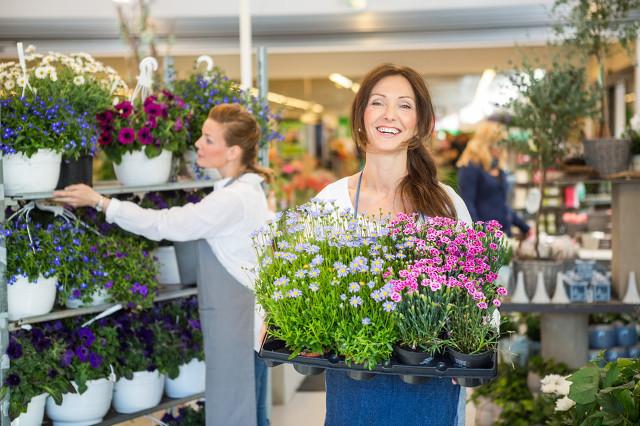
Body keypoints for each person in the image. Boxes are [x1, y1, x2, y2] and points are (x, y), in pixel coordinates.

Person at [53, 103, 272, 426]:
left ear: (232, 152)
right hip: (240, 316)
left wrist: (101, 203)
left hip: (237, 320)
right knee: (248, 409)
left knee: (236, 412)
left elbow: (167, 224)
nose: (198, 143)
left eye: (209, 139)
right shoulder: (242, 191)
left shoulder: (232, 199)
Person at [315, 64, 472, 426]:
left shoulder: (445, 203)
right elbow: (288, 280)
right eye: (378, 103)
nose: (390, 115)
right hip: (354, 384)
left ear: (419, 124)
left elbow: (477, 289)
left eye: (404, 105)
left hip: (429, 387)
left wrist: (473, 347)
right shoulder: (332, 201)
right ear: (361, 117)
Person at [456, 120, 530, 237]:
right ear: (488, 143)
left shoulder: (498, 168)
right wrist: (481, 236)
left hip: (504, 236)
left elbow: (502, 205)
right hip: (486, 241)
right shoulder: (470, 167)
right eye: (499, 142)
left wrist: (525, 228)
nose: (502, 147)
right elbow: (467, 206)